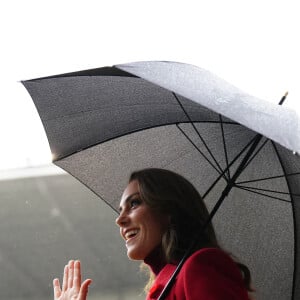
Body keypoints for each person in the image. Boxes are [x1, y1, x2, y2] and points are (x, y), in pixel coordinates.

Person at [53, 168, 255, 300]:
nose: (119, 219)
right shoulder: (165, 284)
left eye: (134, 203)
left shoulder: (200, 265)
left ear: (169, 210)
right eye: (120, 210)